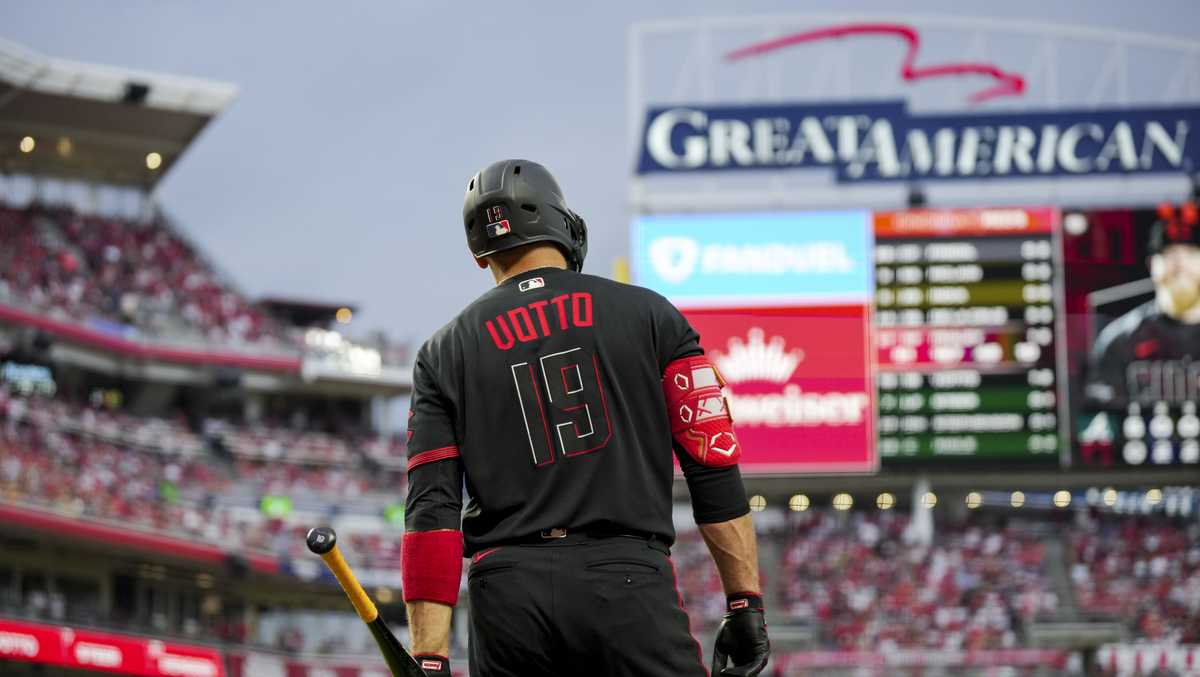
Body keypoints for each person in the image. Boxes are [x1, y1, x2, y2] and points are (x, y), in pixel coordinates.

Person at [401, 160, 769, 676]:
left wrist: (430, 656)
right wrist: (744, 603)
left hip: (506, 596)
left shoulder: (442, 351)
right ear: (562, 223)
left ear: (479, 252)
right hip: (624, 581)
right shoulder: (651, 315)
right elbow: (712, 465)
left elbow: (431, 514)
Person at [1085, 202, 1200, 408]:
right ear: (1151, 265)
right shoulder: (1119, 340)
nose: (1180, 266)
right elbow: (1101, 422)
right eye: (1168, 255)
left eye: (1191, 254)